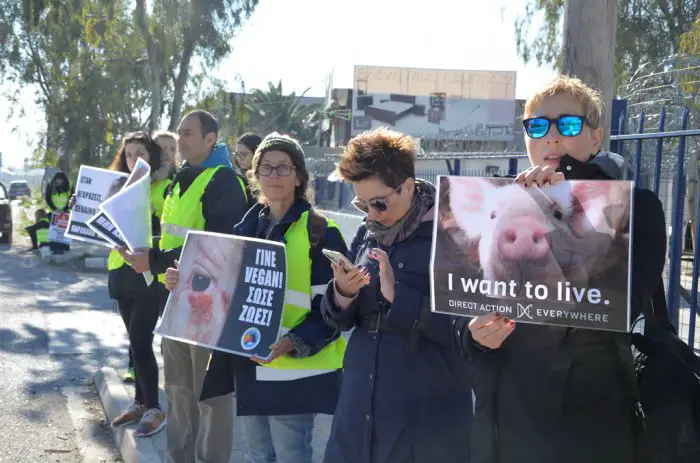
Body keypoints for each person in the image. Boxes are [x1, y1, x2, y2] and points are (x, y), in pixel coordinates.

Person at [455, 75, 667, 463]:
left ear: (596, 137)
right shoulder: (500, 204)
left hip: (589, 426)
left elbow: (617, 307)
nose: (552, 137)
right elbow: (464, 302)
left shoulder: (636, 210)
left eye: (568, 125)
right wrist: (473, 336)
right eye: (538, 125)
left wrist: (569, 193)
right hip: (506, 420)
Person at [167, 132, 347, 463]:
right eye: (266, 168)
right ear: (255, 175)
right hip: (249, 366)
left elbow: (336, 309)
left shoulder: (321, 232)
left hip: (295, 370)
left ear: (298, 176)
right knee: (258, 455)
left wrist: (293, 341)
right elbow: (223, 294)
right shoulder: (243, 230)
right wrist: (184, 284)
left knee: (291, 455)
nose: (274, 175)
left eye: (283, 168)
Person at [320, 127, 473, 463]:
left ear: (407, 186)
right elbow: (342, 320)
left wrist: (399, 297)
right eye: (362, 203)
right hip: (359, 409)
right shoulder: (368, 231)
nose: (371, 215)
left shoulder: (453, 232)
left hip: (424, 416)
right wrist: (342, 293)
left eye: (379, 203)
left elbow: (466, 329)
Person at [123, 110, 251, 463]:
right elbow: (172, 238)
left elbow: (219, 249)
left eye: (189, 133)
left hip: (211, 309)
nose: (180, 138)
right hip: (177, 301)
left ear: (211, 139)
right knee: (178, 392)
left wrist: (155, 261)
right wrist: (145, 250)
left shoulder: (223, 181)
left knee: (209, 397)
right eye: (179, 132)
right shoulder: (184, 179)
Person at [105, 131, 169, 438]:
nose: (134, 160)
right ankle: (140, 402)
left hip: (147, 275)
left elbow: (160, 228)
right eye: (129, 154)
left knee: (142, 342)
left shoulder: (162, 188)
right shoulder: (115, 187)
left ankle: (155, 408)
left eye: (140, 153)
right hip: (121, 272)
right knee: (134, 343)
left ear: (151, 156)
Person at [44, 172, 74, 254]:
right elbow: (47, 198)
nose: (59, 181)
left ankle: (64, 248)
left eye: (61, 180)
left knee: (64, 231)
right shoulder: (50, 186)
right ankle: (54, 248)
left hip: (65, 212)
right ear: (55, 179)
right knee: (54, 231)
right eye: (58, 179)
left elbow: (72, 198)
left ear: (64, 180)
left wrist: (66, 209)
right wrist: (54, 209)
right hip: (54, 212)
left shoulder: (70, 186)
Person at [233, 132, 262, 201]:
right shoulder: (236, 177)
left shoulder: (266, 176)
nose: (239, 158)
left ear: (256, 153)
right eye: (237, 154)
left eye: (243, 154)